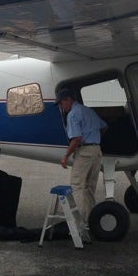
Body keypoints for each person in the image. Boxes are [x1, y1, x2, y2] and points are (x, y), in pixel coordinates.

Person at [56, 88, 107, 237]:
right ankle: (91, 222)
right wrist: (93, 138)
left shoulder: (72, 114)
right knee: (90, 188)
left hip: (84, 152)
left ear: (67, 100)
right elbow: (104, 126)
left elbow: (76, 139)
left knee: (77, 186)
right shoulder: (88, 110)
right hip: (97, 151)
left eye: (61, 103)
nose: (61, 107)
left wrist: (66, 156)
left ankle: (78, 226)